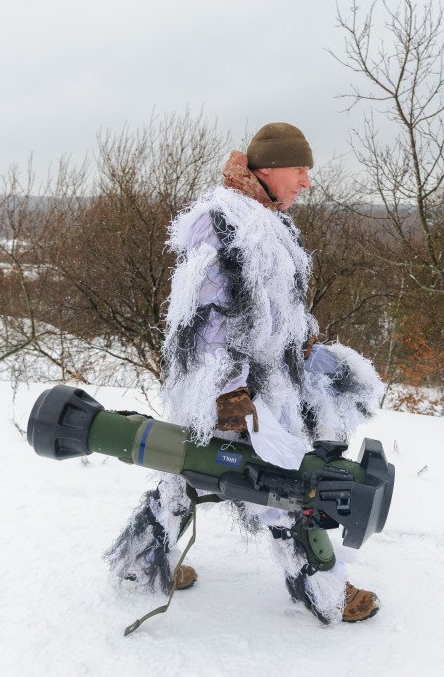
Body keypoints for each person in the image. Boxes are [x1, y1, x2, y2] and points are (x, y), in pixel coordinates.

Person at [104, 122, 385, 624]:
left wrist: (302, 344)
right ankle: (325, 591)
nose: (305, 181)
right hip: (231, 386)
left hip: (263, 380)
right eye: (299, 169)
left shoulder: (265, 219)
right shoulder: (224, 222)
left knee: (186, 475)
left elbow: (274, 310)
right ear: (271, 167)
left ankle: (141, 564)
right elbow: (208, 315)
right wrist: (229, 394)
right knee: (283, 484)